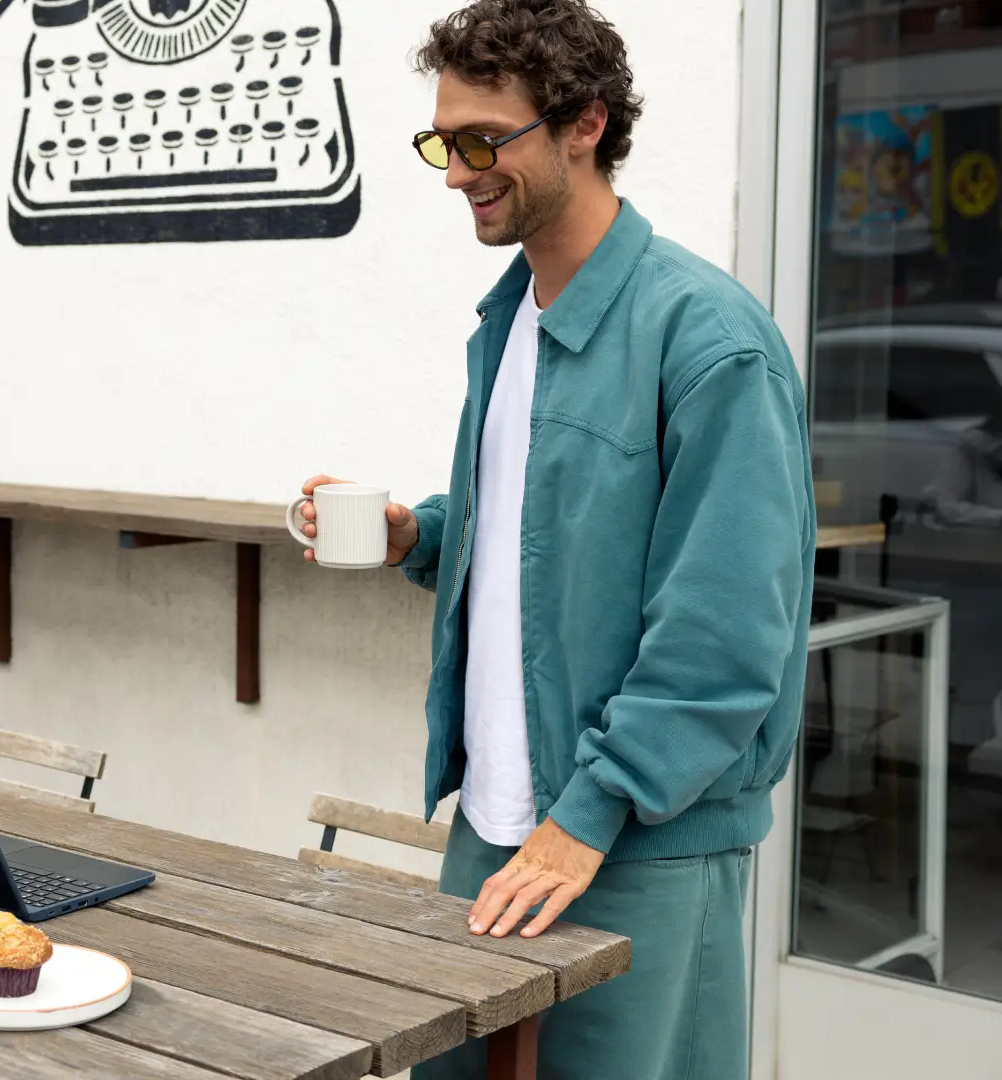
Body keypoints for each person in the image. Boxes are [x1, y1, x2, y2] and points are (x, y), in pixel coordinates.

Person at [298, 2, 814, 1076]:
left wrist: (588, 816)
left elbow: (725, 635)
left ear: (584, 124)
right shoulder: (515, 320)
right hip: (496, 822)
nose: (455, 172)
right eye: (444, 142)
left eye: (484, 141)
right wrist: (419, 536)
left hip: (634, 836)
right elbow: (550, 532)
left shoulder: (709, 340)